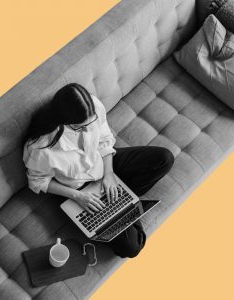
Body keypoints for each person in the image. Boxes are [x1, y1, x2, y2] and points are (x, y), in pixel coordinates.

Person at [22, 82, 175, 258]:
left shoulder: (93, 107)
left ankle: (121, 200)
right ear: (63, 120)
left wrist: (109, 174)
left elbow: (104, 140)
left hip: (104, 165)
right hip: (78, 189)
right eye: (80, 127)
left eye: (91, 122)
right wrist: (78, 196)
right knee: (132, 247)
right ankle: (121, 203)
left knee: (164, 159)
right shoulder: (41, 148)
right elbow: (38, 182)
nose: (87, 129)